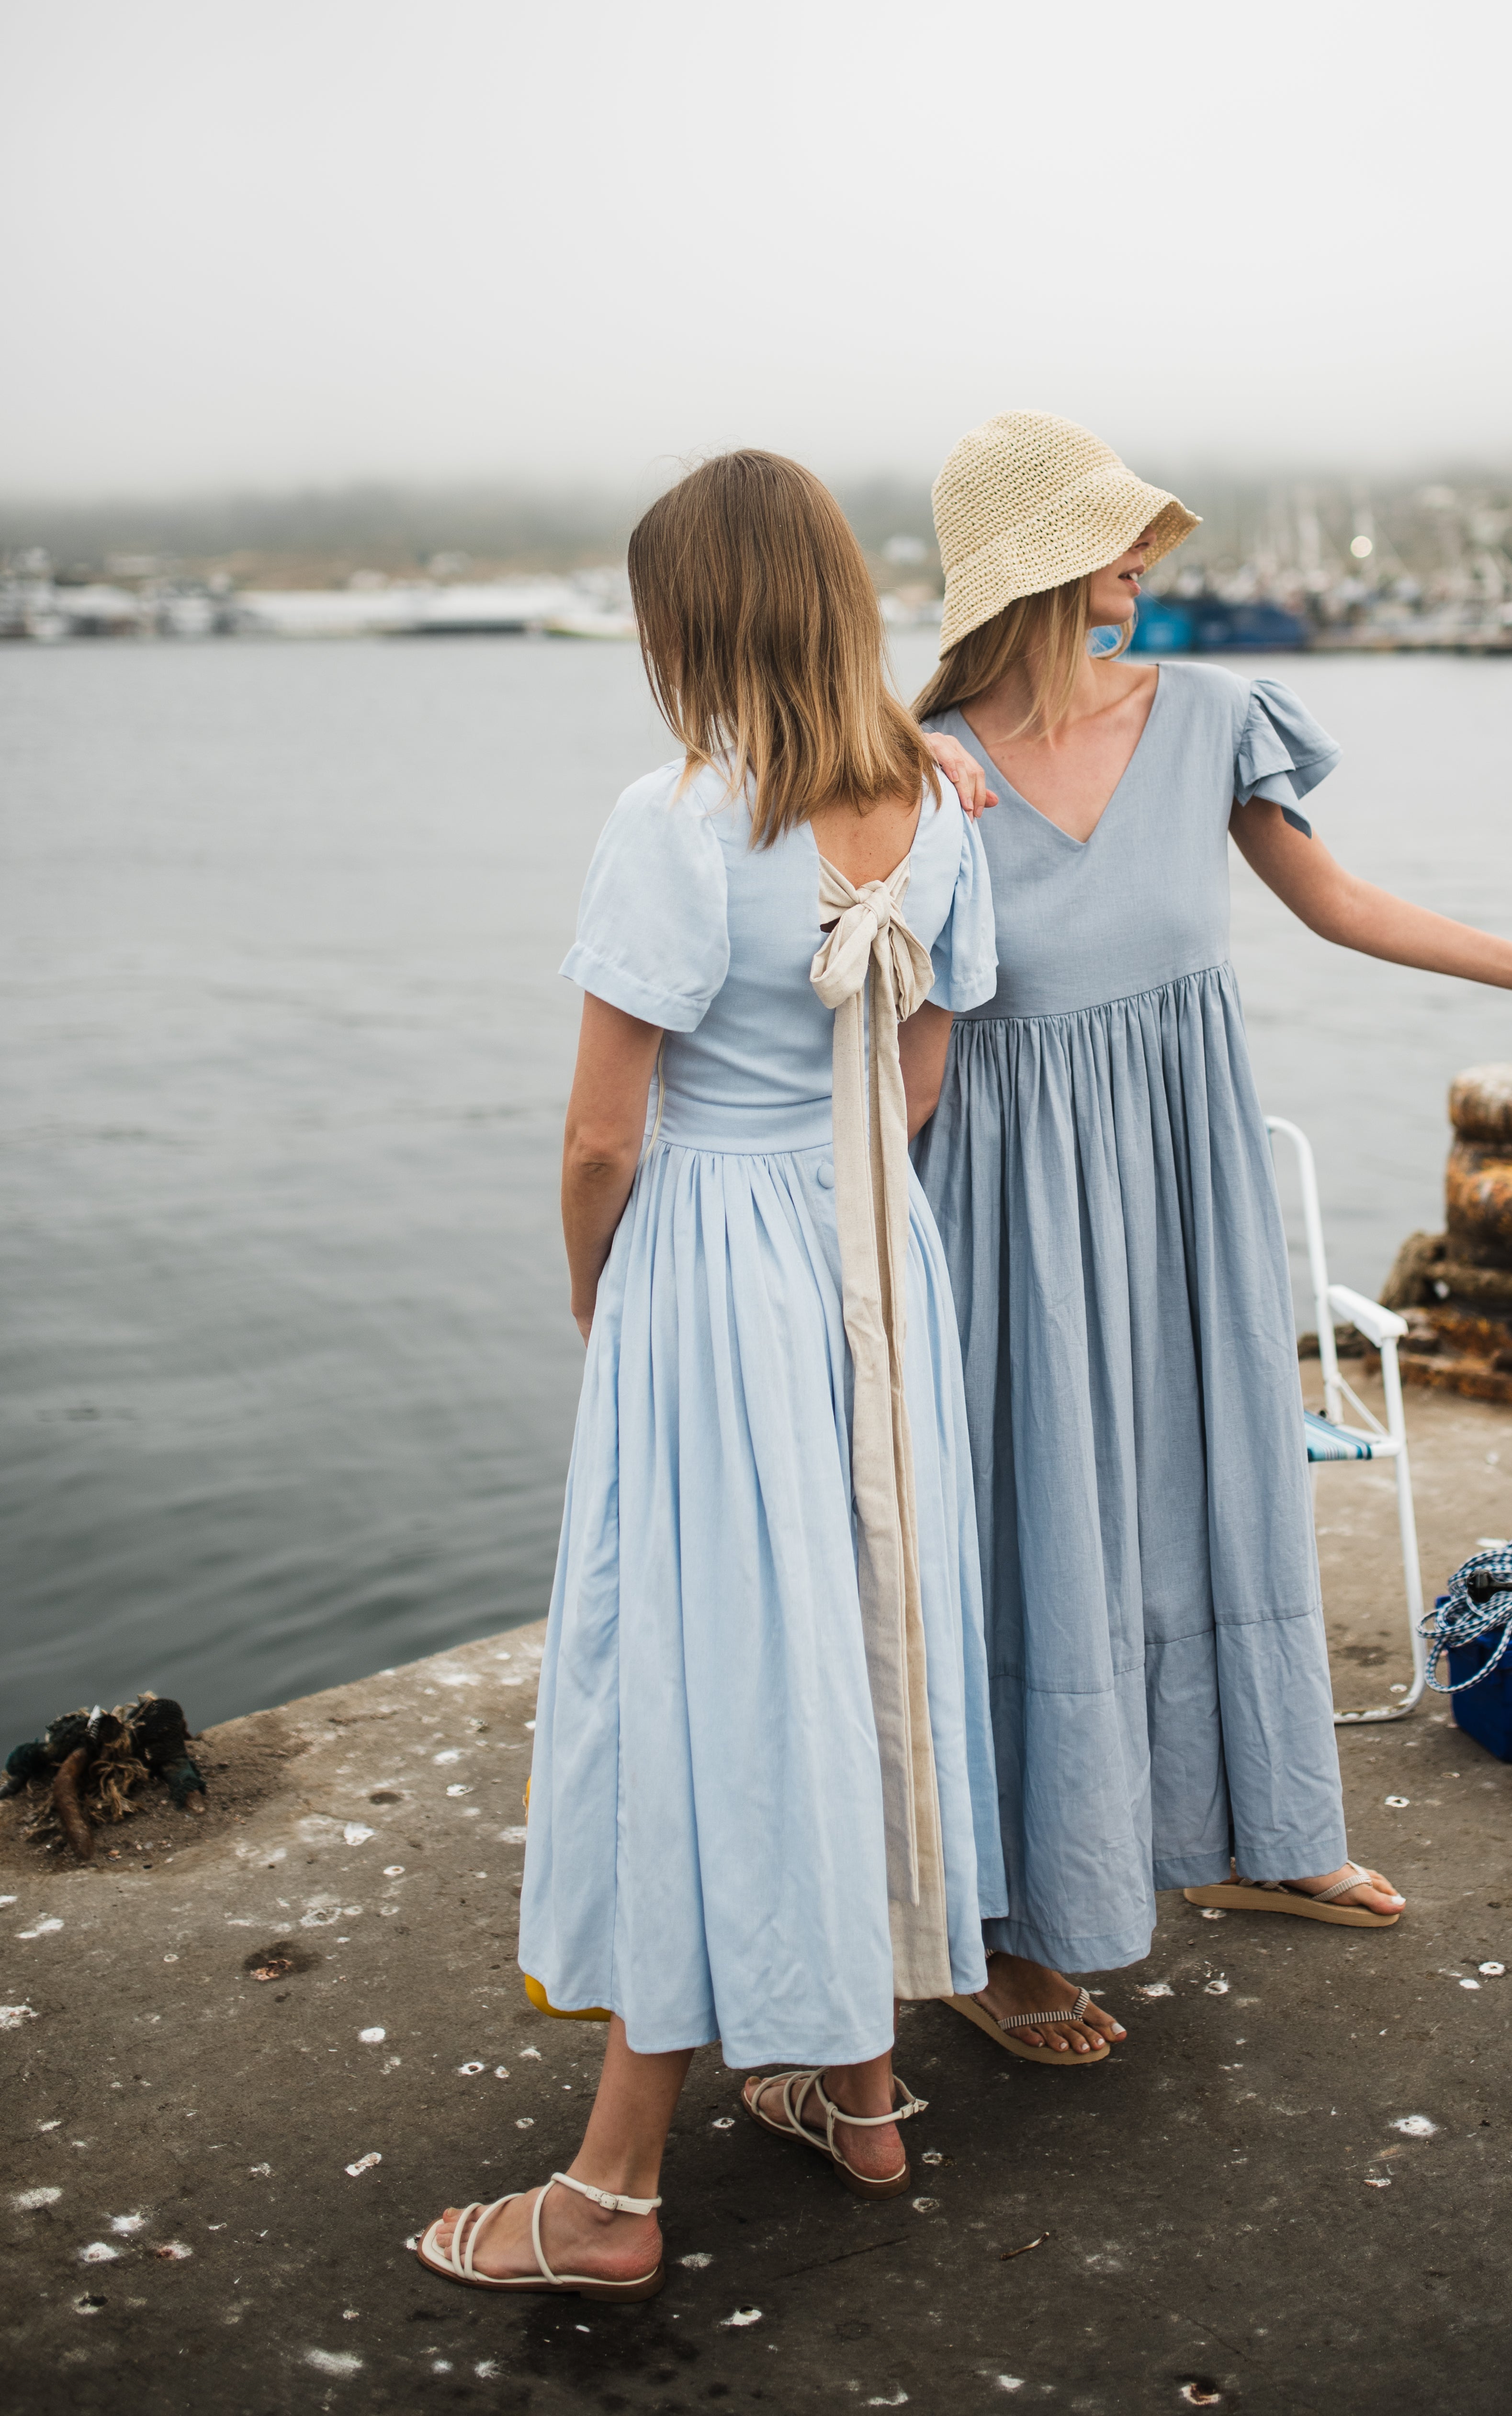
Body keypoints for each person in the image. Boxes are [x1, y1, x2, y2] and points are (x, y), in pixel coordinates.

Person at [912, 409, 1512, 2064]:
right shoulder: (923, 761)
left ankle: (1264, 1829)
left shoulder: (1214, 717)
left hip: (1182, 1179)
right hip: (1006, 1212)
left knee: (1218, 1489)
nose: (1148, 557)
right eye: (1117, 537)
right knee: (1043, 1535)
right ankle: (1011, 1934)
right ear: (1044, 569)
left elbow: (1338, 903)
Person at [417, 451, 1004, 2298]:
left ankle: (611, 2193)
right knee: (861, 1641)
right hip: (876, 1265)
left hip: (714, 1275)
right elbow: (921, 1072)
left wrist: (598, 1289)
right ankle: (862, 2089)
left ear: (691, 623)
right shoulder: (936, 804)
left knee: (696, 1681)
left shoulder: (678, 820)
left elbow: (604, 1134)